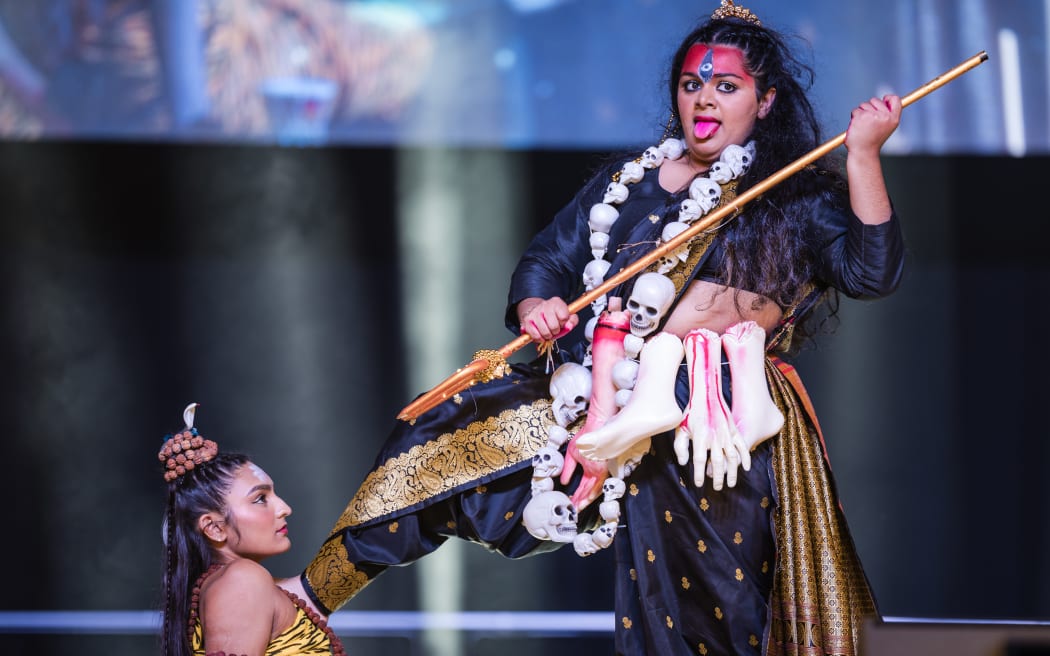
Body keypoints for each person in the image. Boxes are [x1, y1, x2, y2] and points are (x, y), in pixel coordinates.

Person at [279, 1, 904, 654]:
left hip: (713, 409)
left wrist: (863, 156)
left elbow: (871, 272)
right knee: (441, 442)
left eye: (727, 86)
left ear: (766, 100)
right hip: (597, 385)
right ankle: (308, 599)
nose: (704, 100)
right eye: (692, 84)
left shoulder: (792, 194)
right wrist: (535, 308)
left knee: (698, 600)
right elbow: (549, 260)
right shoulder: (628, 179)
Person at [159, 402, 346, 656]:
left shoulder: (238, 583)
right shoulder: (242, 580)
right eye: (260, 499)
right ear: (214, 528)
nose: (284, 508)